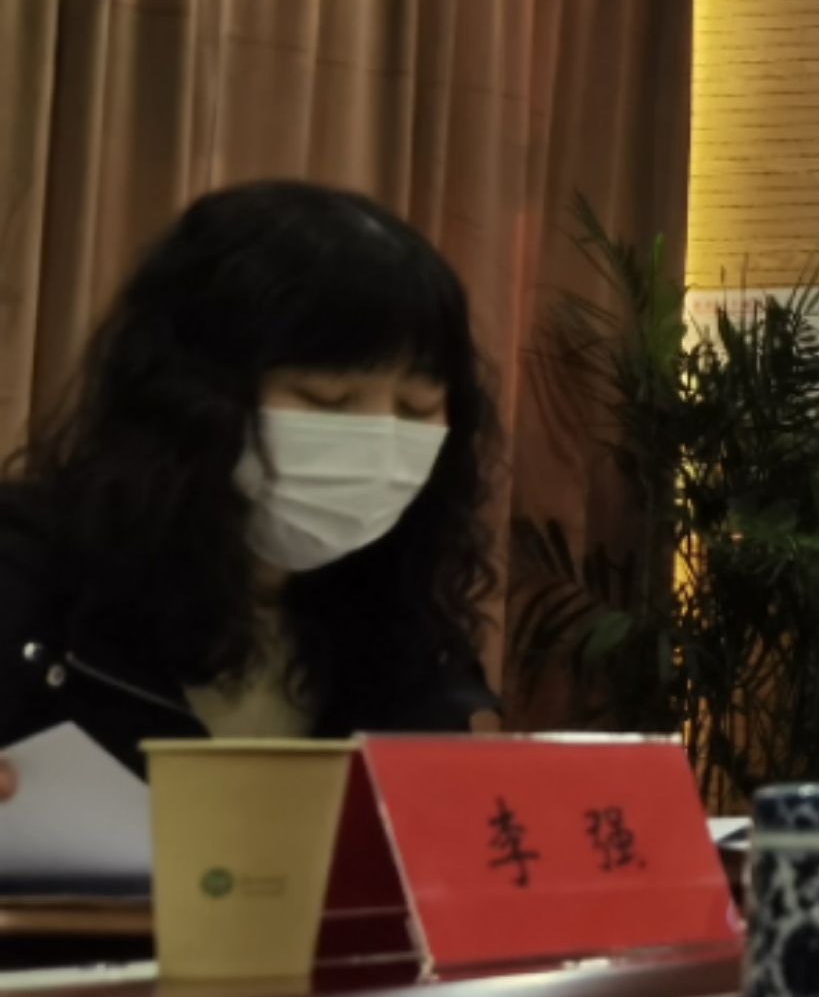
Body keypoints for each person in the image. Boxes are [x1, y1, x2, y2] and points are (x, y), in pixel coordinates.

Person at [0, 181, 501, 793]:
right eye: (326, 398)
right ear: (189, 395)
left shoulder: (409, 630)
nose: (379, 441)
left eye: (417, 407)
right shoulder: (27, 572)